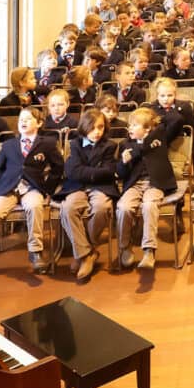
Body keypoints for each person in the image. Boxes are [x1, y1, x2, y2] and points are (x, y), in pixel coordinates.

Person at [0, 107, 64, 272]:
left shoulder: (47, 143)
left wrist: (48, 188)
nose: (23, 122)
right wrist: (3, 184)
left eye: (28, 119)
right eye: (20, 120)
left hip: (33, 187)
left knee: (34, 207)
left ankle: (35, 250)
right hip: (9, 188)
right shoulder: (9, 144)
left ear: (39, 123)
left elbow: (58, 167)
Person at [57, 109, 119, 280]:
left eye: (100, 127)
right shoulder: (75, 144)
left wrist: (85, 172)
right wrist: (94, 171)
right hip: (77, 186)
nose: (96, 132)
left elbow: (109, 171)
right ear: (84, 128)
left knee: (101, 207)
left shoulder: (110, 146)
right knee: (68, 208)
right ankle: (86, 254)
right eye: (92, 128)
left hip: (101, 187)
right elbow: (72, 172)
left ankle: (84, 252)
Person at [115, 107, 177, 270]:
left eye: (135, 125)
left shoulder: (158, 139)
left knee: (149, 205)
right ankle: (124, 246)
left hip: (154, 183)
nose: (130, 129)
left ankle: (149, 250)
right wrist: (123, 162)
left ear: (148, 128)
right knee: (123, 207)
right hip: (134, 185)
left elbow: (175, 120)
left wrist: (153, 115)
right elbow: (120, 173)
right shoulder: (125, 145)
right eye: (130, 125)